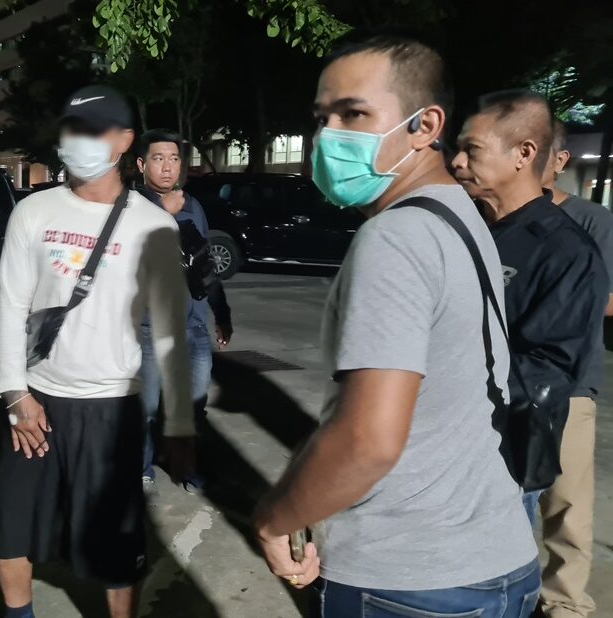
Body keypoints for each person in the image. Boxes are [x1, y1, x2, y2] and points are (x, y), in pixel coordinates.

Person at [252, 36, 539, 616]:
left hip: (408, 578)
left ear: (424, 126)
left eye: (353, 114)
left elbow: (368, 440)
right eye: (323, 117)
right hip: (500, 561)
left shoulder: (396, 236)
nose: (328, 135)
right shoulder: (459, 215)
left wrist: (274, 519)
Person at [0, 85, 195, 618]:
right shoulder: (32, 211)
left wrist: (178, 426)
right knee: (13, 524)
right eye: (72, 128)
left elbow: (170, 334)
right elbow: (11, 307)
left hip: (113, 405)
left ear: (125, 141)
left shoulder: (154, 225)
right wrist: (15, 395)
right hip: (37, 400)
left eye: (94, 128)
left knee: (115, 541)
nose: (78, 139)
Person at [453, 91, 608, 527]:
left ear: (523, 154)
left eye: (472, 150)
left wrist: (447, 383)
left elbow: (549, 369)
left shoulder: (565, 251)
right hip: (442, 444)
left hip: (500, 453)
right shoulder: (468, 230)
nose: (457, 162)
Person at [536, 119, 613, 617]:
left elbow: (608, 300)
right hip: (494, 381)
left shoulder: (590, 220)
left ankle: (564, 605)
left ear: (560, 160)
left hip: (568, 385)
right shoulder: (489, 217)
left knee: (565, 505)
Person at [133, 129, 233, 493]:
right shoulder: (130, 208)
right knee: (146, 409)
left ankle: (185, 468)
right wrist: (163, 213)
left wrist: (221, 312)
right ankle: (142, 467)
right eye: (158, 158)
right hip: (150, 328)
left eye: (174, 159)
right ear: (142, 164)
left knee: (193, 407)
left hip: (194, 328)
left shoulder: (194, 206)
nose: (167, 167)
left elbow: (204, 265)